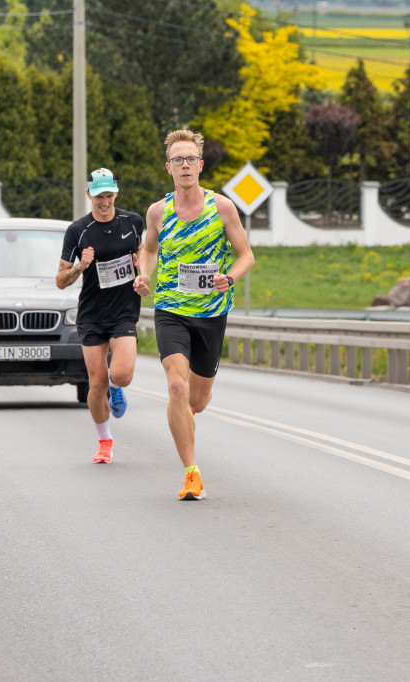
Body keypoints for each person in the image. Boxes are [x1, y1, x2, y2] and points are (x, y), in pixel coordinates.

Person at [133, 130, 255, 500]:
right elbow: (149, 250)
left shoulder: (222, 208)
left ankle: (185, 416)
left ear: (200, 165)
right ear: (168, 167)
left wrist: (228, 278)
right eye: (177, 160)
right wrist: (144, 274)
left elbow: (246, 255)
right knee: (175, 385)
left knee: (196, 401)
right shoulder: (158, 211)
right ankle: (191, 473)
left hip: (211, 312)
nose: (184, 165)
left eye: (190, 159)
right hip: (171, 308)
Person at [57, 168, 144, 464]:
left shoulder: (133, 223)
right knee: (95, 386)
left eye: (108, 196)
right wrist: (81, 266)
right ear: (89, 195)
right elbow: (60, 279)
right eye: (98, 196)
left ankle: (116, 387)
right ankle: (104, 442)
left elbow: (144, 259)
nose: (104, 202)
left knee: (121, 374)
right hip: (92, 314)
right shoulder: (78, 230)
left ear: (116, 193)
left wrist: (141, 269)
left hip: (124, 312)